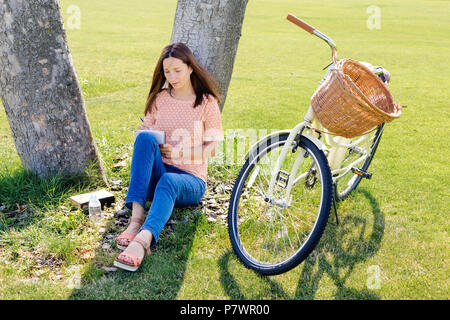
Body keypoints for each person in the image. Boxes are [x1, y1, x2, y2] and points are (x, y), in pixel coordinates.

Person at [113, 42, 224, 272]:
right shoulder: (160, 98)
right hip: (159, 172)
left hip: (190, 181)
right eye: (167, 72)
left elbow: (213, 148)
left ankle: (143, 241)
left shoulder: (206, 102)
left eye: (177, 70)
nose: (172, 76)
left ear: (190, 68)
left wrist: (179, 152)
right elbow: (146, 132)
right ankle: (135, 221)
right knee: (144, 139)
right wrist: (150, 138)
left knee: (169, 181)